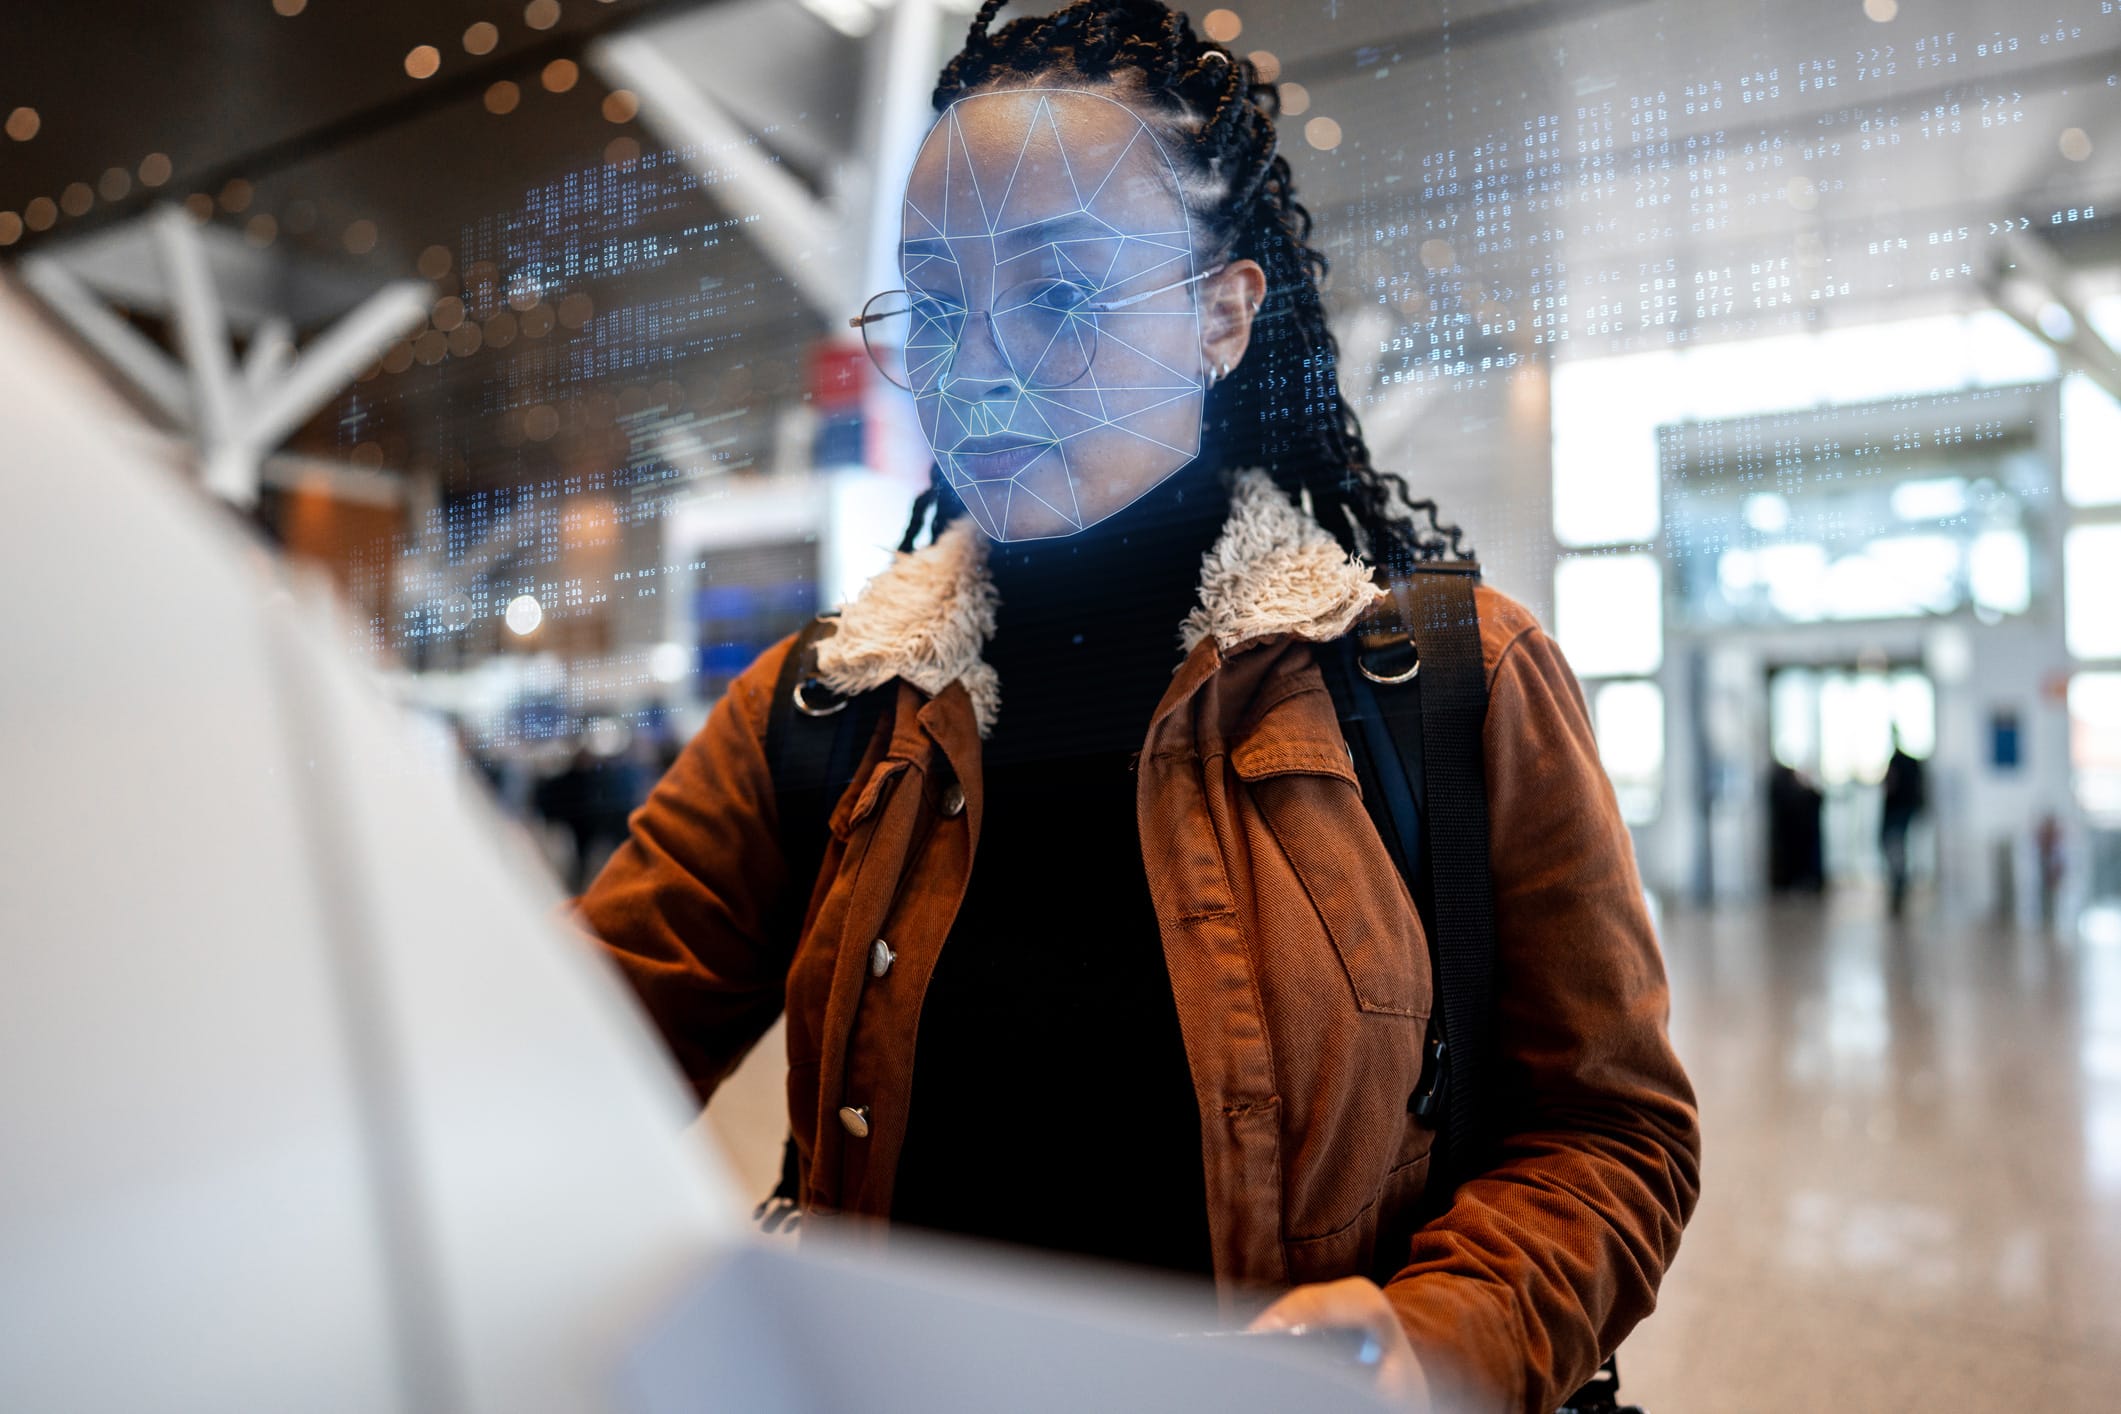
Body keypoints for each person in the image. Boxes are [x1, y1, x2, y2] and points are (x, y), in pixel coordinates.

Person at [573, 4, 1700, 1409]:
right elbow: (549, 1073)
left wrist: (1428, 1345)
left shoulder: (1439, 686)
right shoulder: (825, 708)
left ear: (1222, 316)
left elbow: (1609, 1130)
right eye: (934, 304)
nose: (978, 363)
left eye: (1060, 295)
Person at [1879, 728, 1928, 918]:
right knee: (1898, 852)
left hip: (1896, 816)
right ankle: (1899, 888)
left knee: (1895, 852)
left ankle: (1898, 889)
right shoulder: (1910, 763)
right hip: (1903, 814)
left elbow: (1891, 787)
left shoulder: (1899, 762)